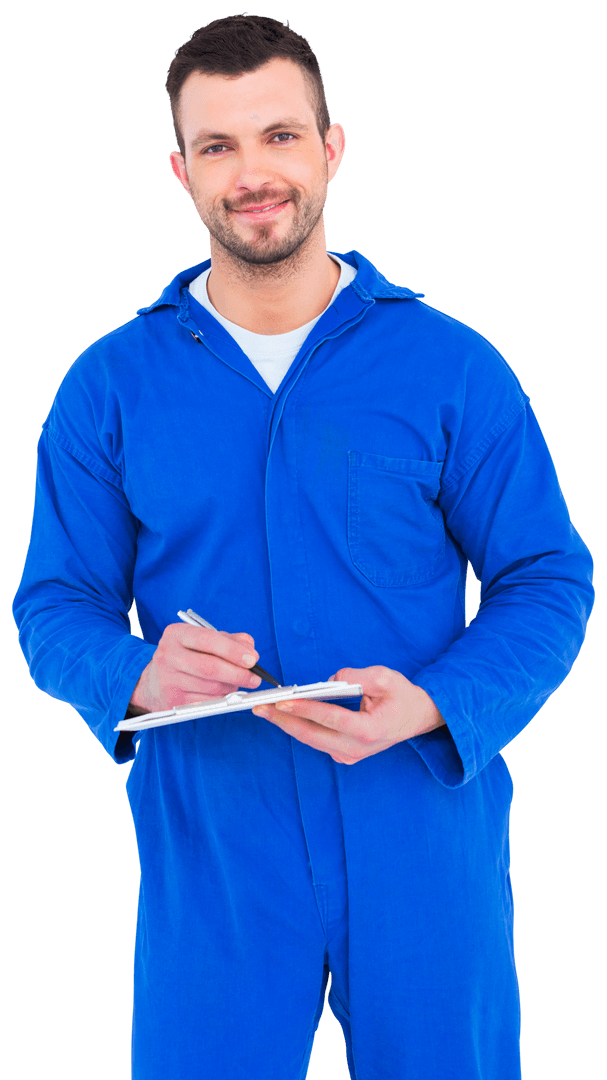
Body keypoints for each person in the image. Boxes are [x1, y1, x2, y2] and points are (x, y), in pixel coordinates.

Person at [13, 13, 594, 1080]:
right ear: (183, 172)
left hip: (422, 831)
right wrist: (136, 674)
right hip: (214, 854)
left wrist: (436, 703)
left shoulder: (450, 367)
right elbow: (54, 606)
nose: (252, 174)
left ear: (330, 149)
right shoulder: (109, 388)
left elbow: (545, 578)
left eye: (279, 136)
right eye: (219, 146)